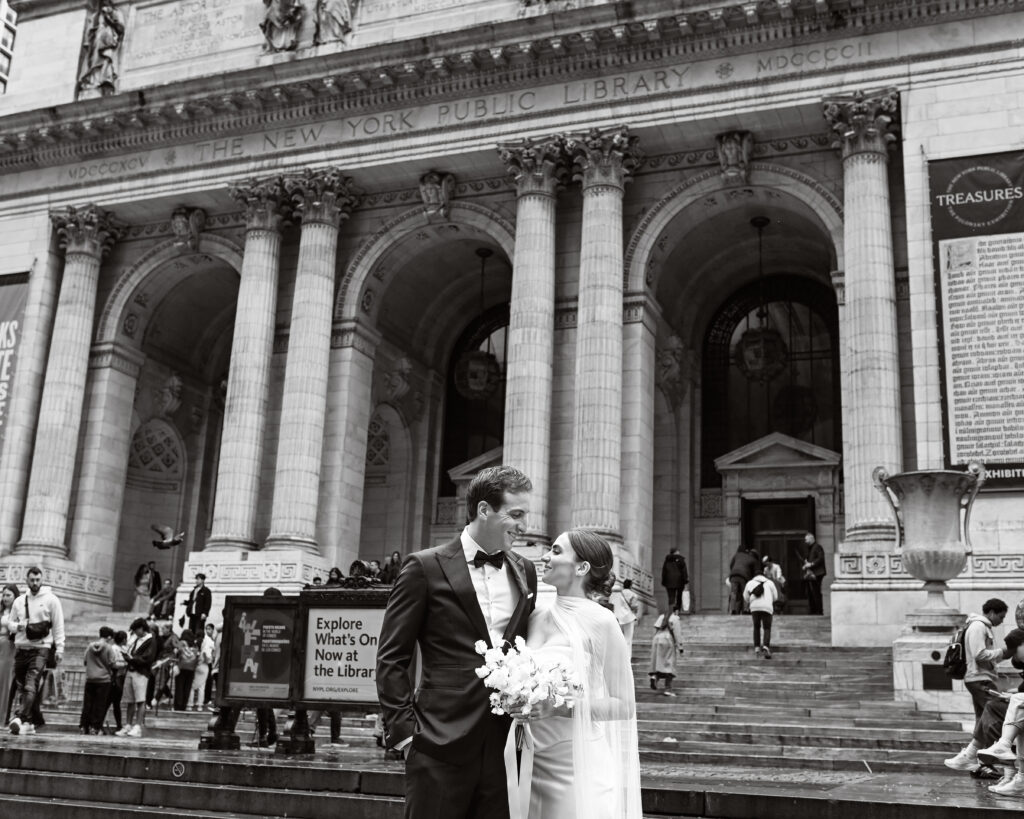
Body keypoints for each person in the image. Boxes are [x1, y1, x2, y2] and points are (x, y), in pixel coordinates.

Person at [376, 464, 536, 819]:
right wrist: (405, 735)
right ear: (483, 510)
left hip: (504, 744)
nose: (525, 525)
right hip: (438, 741)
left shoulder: (526, 571)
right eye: (516, 514)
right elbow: (391, 656)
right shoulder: (424, 567)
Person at [523, 528, 642, 818]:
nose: (545, 556)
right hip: (529, 760)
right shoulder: (536, 614)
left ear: (582, 567)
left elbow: (624, 705)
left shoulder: (602, 621)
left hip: (576, 765)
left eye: (556, 551)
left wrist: (561, 707)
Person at [945, 598, 1012, 771]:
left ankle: (976, 761)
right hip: (979, 678)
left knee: (983, 719)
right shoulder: (978, 627)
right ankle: (979, 759)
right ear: (991, 612)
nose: (1002, 621)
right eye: (1001, 617)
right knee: (997, 714)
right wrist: (1002, 652)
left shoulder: (979, 626)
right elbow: (979, 655)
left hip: (979, 678)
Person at [8, 567, 65, 736]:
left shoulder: (52, 600)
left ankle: (20, 717)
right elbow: (10, 624)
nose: (35, 583)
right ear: (27, 580)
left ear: (42, 580)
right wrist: (18, 626)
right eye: (32, 580)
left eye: (38, 580)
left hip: (41, 648)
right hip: (21, 648)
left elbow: (58, 625)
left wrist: (60, 648)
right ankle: (30, 722)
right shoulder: (19, 601)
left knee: (30, 684)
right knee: (21, 687)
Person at [118, 617, 156, 737]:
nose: (134, 633)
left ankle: (138, 725)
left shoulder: (151, 640)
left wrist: (132, 659)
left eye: (136, 630)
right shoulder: (136, 639)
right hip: (132, 670)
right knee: (130, 700)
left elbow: (148, 658)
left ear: (141, 628)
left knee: (140, 700)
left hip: (141, 672)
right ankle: (128, 724)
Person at [79, 626, 119, 734]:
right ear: (109, 637)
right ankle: (95, 727)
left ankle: (84, 726)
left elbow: (85, 661)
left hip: (90, 679)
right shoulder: (109, 648)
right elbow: (112, 664)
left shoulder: (89, 646)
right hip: (104, 680)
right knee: (99, 705)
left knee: (88, 704)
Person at [743, 571, 778, 659]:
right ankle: (766, 647)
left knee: (756, 627)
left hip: (754, 607)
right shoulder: (770, 583)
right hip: (767, 607)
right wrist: (769, 600)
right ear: (763, 575)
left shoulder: (750, 583)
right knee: (767, 628)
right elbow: (776, 597)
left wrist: (751, 601)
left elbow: (745, 597)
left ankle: (757, 648)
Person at [648, 611, 682, 696]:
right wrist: (680, 646)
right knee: (669, 664)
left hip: (657, 638)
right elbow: (677, 633)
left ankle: (655, 677)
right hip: (667, 639)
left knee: (659, 663)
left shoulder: (662, 616)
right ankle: (668, 689)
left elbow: (655, 628)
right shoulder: (675, 618)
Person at [0, 584, 18, 725]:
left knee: (5, 684)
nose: (5, 598)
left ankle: (2, 717)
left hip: (8, 649)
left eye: (8, 595)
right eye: (4, 594)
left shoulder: (17, 612)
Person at [105, 630, 129, 733]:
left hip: (120, 678)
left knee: (115, 703)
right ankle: (101, 723)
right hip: (115, 678)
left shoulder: (123, 649)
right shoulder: (115, 649)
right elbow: (112, 663)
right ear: (123, 639)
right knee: (110, 703)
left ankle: (118, 725)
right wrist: (124, 665)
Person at [609, 579, 640, 656]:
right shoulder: (633, 595)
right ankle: (627, 658)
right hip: (628, 618)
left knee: (618, 638)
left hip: (618, 617)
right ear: (631, 585)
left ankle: (618, 656)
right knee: (628, 639)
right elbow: (634, 606)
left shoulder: (618, 594)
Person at [189, 623, 216, 711]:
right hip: (204, 666)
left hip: (196, 665)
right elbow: (210, 654)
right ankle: (200, 705)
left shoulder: (194, 643)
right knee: (202, 687)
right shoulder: (207, 642)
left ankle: (190, 704)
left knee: (193, 686)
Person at [727, 546, 759, 615]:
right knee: (745, 593)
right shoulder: (752, 559)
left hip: (734, 575)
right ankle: (746, 610)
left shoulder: (737, 555)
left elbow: (731, 565)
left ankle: (732, 609)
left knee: (733, 593)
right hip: (743, 577)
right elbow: (754, 572)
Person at [801, 533, 826, 615]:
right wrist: (806, 565)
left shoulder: (817, 547)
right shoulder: (810, 548)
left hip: (817, 573)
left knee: (815, 592)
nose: (805, 541)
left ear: (811, 539)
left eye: (806, 539)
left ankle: (818, 611)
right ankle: (814, 610)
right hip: (812, 573)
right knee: (811, 592)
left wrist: (810, 564)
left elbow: (820, 558)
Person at [174, 629, 199, 711]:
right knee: (187, 687)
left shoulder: (181, 643)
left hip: (181, 667)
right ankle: (184, 705)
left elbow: (177, 653)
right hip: (191, 668)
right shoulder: (195, 644)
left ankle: (178, 705)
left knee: (179, 686)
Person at [661, 547, 688, 612]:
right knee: (679, 597)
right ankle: (677, 612)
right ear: (676, 552)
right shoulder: (681, 560)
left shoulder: (667, 560)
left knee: (671, 597)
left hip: (669, 581)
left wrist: (664, 581)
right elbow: (684, 572)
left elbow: (664, 571)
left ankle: (671, 612)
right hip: (679, 581)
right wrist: (685, 581)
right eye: (678, 551)